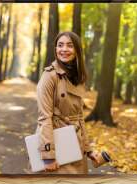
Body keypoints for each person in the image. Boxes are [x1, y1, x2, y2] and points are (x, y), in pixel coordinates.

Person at [36, 31, 102, 174]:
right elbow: (44, 118)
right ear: (55, 49)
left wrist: (88, 149)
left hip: (76, 145)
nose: (64, 49)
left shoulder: (78, 77)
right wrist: (48, 156)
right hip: (57, 143)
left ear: (77, 50)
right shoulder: (49, 76)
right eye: (60, 45)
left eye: (69, 46)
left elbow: (79, 118)